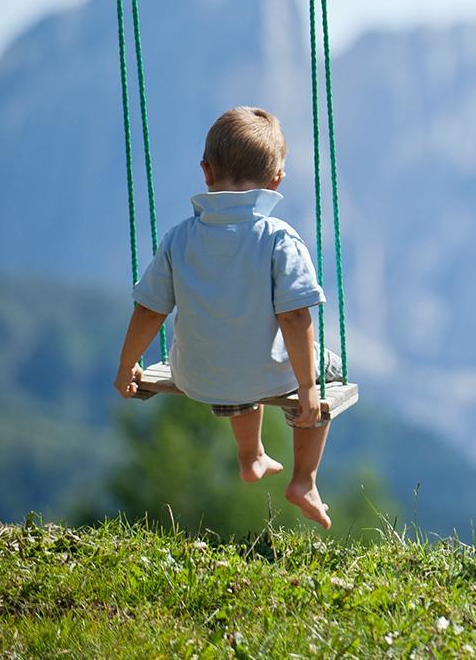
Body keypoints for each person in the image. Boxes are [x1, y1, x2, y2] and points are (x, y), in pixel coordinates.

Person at [113, 106, 340, 528]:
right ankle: (304, 480)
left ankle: (249, 453)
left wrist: (128, 366)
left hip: (198, 378)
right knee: (326, 368)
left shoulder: (179, 237)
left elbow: (148, 308)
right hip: (264, 374)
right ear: (276, 180)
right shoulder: (278, 238)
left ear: (206, 171)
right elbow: (294, 318)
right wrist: (308, 388)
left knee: (232, 344)